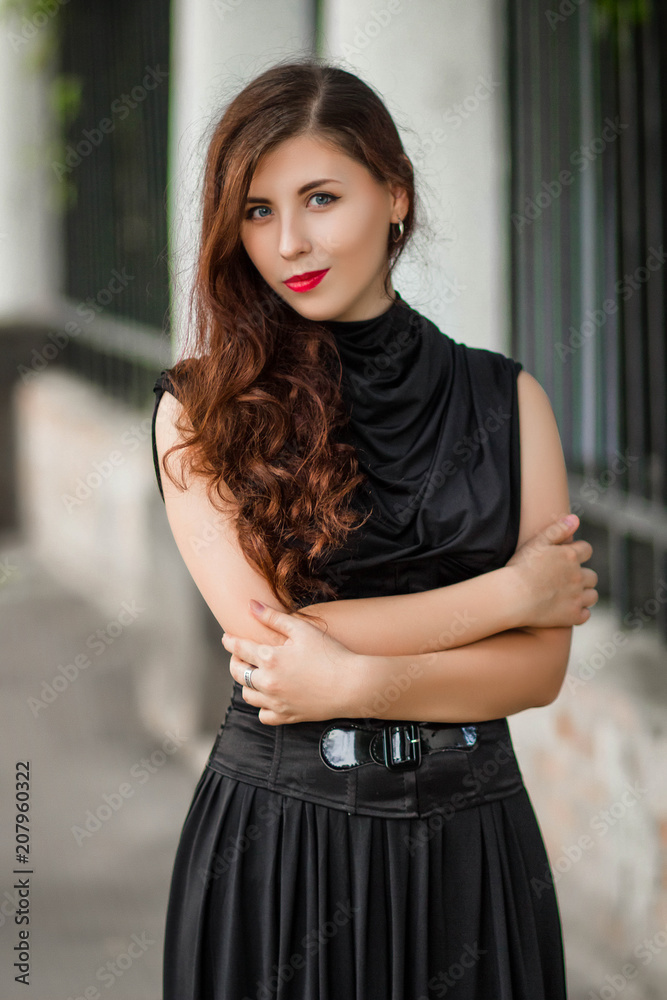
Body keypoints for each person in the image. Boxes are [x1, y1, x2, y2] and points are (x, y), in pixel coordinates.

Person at [151, 58, 598, 1000]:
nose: (289, 241)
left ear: (393, 193)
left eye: (320, 197)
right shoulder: (202, 409)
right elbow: (270, 651)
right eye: (258, 210)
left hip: (474, 849)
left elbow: (539, 670)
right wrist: (507, 595)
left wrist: (354, 678)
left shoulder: (509, 400)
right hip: (282, 844)